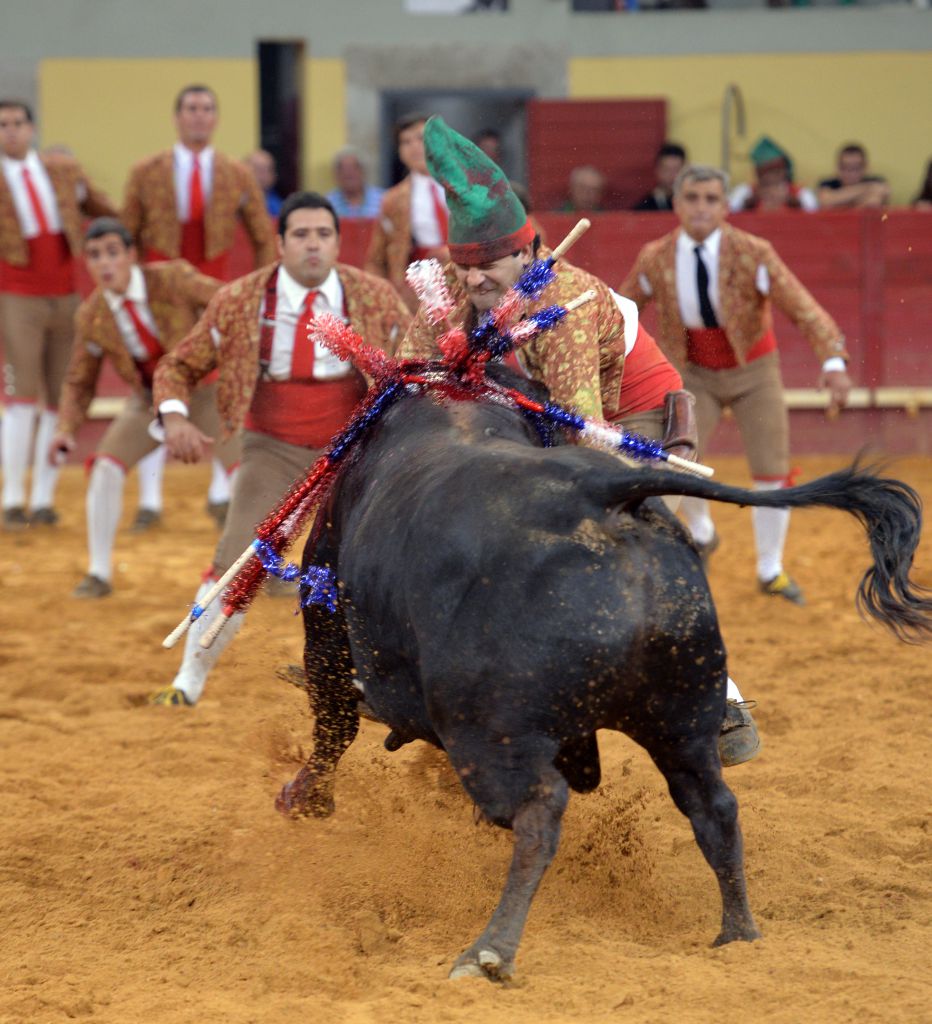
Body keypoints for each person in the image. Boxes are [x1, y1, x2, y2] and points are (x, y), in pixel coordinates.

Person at [397, 117, 759, 766]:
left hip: (633, 424)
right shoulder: (469, 279)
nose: (475, 282)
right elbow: (410, 358)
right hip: (543, 424)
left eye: (489, 268)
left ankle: (722, 696)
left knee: (617, 547)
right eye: (465, 268)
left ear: (529, 253)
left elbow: (582, 446)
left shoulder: (564, 309)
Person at [151, 191, 412, 706]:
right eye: (301, 235)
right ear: (280, 243)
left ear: (337, 242)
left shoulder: (376, 297)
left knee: (383, 563)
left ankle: (377, 680)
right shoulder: (241, 300)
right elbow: (177, 366)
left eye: (322, 234)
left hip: (357, 449)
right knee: (237, 561)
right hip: (273, 447)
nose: (312, 245)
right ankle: (190, 679)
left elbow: (417, 357)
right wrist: (175, 416)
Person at [619, 165, 851, 605]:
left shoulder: (753, 251)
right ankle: (703, 533)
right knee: (679, 462)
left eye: (711, 199)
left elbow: (802, 306)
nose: (701, 207)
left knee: (771, 466)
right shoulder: (655, 256)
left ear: (726, 206)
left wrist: (834, 359)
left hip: (754, 371)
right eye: (692, 198)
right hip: (689, 371)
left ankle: (771, 569)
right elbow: (622, 312)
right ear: (677, 202)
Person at [50, 218, 237, 597]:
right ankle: (98, 572)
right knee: (104, 468)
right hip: (147, 401)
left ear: (131, 256)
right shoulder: (92, 315)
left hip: (204, 390)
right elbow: (79, 381)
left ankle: (269, 567)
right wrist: (66, 430)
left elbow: (232, 301)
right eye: (95, 256)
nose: (105, 264)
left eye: (113, 253)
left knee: (246, 472)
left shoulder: (172, 278)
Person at [0, 99, 116, 529]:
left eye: (17, 123)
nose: (10, 131)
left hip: (66, 295)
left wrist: (130, 234)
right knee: (21, 396)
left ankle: (43, 496)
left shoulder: (64, 173)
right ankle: (13, 498)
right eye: (3, 125)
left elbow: (103, 210)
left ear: (32, 128)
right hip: (17, 295)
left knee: (59, 398)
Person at [121, 84, 275, 280]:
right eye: (192, 109)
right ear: (176, 118)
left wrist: (261, 285)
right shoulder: (145, 171)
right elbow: (127, 233)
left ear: (215, 120)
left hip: (215, 271)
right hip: (161, 273)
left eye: (207, 109)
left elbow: (263, 237)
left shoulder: (238, 174)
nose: (199, 116)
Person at [364, 111, 449, 311]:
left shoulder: (466, 186)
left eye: (420, 138)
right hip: (420, 287)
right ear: (399, 151)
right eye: (405, 142)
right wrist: (390, 295)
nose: (414, 147)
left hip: (466, 275)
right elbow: (376, 259)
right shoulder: (393, 200)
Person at [729, 137, 817, 213]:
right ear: (759, 173)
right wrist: (752, 201)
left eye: (777, 170)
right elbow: (729, 213)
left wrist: (792, 201)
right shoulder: (744, 191)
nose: (771, 176)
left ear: (785, 171)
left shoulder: (801, 193)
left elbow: (814, 213)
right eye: (767, 171)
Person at [817, 144, 890, 210]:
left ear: (865, 167)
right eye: (845, 167)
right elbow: (826, 201)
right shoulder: (828, 183)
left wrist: (838, 201)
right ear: (838, 168)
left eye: (855, 168)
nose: (850, 173)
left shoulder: (877, 180)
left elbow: (876, 200)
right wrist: (867, 188)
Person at [325, 147, 383, 219]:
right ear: (336, 175)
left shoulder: (383, 200)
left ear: (364, 171)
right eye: (343, 169)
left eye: (354, 168)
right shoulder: (328, 203)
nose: (349, 173)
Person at [633, 142, 687, 212]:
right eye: (666, 170)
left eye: (676, 170)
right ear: (657, 170)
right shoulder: (645, 206)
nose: (672, 175)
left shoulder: (693, 203)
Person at [243, 149, 284, 216]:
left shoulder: (279, 208)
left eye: (268, 170)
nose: (262, 175)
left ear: (274, 176)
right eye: (257, 169)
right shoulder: (231, 202)